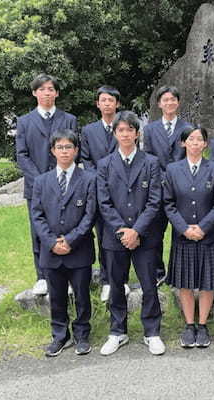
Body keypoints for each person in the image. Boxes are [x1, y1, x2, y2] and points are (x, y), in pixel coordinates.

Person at [96, 111, 165, 356]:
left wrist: (136, 230)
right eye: (121, 130)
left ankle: (152, 331)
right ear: (115, 134)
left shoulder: (151, 163)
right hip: (114, 237)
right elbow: (104, 202)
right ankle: (117, 331)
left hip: (144, 236)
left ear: (137, 133)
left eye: (129, 130)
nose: (125, 134)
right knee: (116, 286)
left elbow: (154, 201)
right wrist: (122, 230)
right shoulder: (104, 165)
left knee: (149, 286)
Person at [31, 129, 96, 357]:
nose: (64, 151)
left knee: (82, 296)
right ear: (52, 151)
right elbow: (36, 216)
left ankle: (82, 334)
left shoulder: (89, 179)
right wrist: (51, 242)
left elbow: (90, 215)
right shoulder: (41, 181)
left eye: (69, 147)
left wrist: (70, 240)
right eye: (60, 147)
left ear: (76, 151)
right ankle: (60, 335)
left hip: (79, 249)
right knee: (56, 297)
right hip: (51, 252)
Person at [163, 126, 214, 348]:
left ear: (206, 144)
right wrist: (184, 228)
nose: (195, 143)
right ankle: (189, 325)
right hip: (183, 236)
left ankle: (203, 324)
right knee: (186, 282)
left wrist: (203, 227)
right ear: (183, 143)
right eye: (191, 139)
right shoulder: (172, 169)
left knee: (207, 283)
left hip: (208, 237)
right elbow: (168, 204)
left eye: (200, 139)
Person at [16, 74, 77, 296]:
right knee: (39, 230)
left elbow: (72, 150)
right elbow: (22, 155)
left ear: (57, 93)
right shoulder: (24, 122)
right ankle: (42, 276)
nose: (47, 93)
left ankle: (69, 275)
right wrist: (42, 180)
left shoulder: (69, 119)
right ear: (34, 93)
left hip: (66, 183)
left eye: (51, 89)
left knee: (66, 227)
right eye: (42, 89)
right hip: (36, 186)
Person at [80, 85, 128, 302]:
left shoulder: (125, 128)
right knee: (103, 235)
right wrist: (100, 180)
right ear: (97, 104)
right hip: (99, 190)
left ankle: (122, 279)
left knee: (123, 233)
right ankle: (107, 280)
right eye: (103, 100)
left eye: (111, 100)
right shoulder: (89, 131)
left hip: (124, 190)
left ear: (117, 104)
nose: (107, 104)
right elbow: (86, 159)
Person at [142, 86, 193, 285]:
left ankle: (180, 271)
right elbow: (148, 157)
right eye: (165, 100)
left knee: (182, 231)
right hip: (158, 187)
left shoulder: (187, 128)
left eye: (173, 99)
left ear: (178, 103)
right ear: (159, 104)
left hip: (183, 189)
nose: (169, 103)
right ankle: (158, 272)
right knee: (155, 232)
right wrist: (162, 179)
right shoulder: (150, 129)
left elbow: (191, 156)